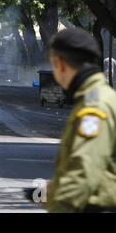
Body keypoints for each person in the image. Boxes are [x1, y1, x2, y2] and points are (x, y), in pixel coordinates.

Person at [44, 27, 116, 213]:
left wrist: (58, 205)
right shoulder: (100, 97)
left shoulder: (94, 107)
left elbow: (84, 168)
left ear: (59, 63)